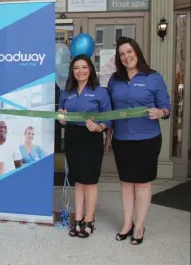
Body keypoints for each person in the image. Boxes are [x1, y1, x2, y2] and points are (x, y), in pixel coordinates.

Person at [106, 37, 171, 245]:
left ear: (137, 53)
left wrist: (160, 112)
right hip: (122, 139)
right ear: (119, 58)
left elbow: (167, 108)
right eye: (122, 54)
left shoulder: (153, 78)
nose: (126, 57)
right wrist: (108, 136)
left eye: (129, 52)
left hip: (147, 139)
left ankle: (140, 225)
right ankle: (127, 223)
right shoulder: (114, 81)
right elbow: (111, 112)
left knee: (142, 184)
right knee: (126, 183)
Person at [58, 54, 111, 238]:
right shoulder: (66, 92)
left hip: (92, 138)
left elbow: (109, 118)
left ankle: (89, 219)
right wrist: (62, 120)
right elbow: (62, 120)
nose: (80, 71)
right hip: (72, 138)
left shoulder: (100, 92)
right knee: (78, 181)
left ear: (90, 70)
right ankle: (78, 219)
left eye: (84, 67)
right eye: (76, 68)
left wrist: (99, 127)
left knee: (90, 181)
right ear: (72, 71)